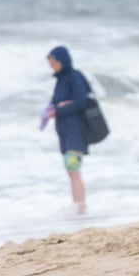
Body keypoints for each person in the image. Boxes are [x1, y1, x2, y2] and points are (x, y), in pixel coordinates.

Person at [43, 45, 90, 215]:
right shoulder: (60, 80)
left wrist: (60, 109)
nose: (51, 66)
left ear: (62, 60)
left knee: (74, 170)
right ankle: (78, 206)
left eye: (53, 62)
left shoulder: (74, 77)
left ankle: (81, 208)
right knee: (71, 171)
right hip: (65, 132)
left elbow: (80, 102)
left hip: (75, 132)